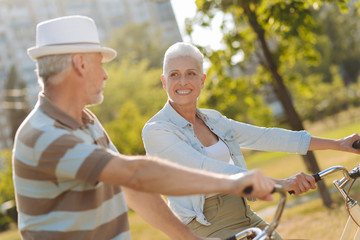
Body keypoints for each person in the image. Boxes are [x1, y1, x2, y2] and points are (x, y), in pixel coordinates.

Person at [12, 16, 277, 240]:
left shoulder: (86, 121)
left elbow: (131, 188)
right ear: (81, 64)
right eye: (100, 63)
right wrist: (234, 181)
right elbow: (135, 173)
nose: (105, 75)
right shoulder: (43, 135)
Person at [142, 42, 360, 239]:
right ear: (164, 81)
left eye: (190, 73)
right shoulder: (156, 131)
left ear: (202, 80)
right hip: (205, 226)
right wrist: (278, 183)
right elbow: (206, 169)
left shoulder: (213, 119)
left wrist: (338, 144)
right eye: (174, 75)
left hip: (243, 211)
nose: (183, 81)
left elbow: (266, 136)